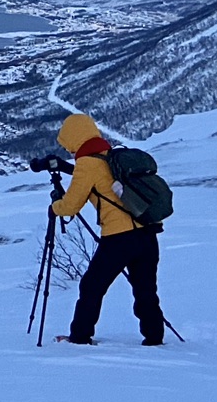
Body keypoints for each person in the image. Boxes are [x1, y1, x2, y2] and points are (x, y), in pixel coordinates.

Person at [50, 112, 164, 346]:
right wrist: (66, 168)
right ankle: (155, 338)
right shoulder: (111, 156)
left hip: (118, 239)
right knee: (145, 290)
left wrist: (55, 207)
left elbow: (70, 206)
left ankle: (80, 337)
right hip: (147, 233)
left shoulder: (86, 164)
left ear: (75, 139)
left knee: (92, 287)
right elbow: (98, 176)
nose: (68, 150)